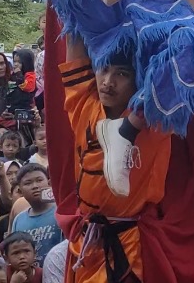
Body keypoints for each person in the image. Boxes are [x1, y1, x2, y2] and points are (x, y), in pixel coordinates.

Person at [59, 36, 170, 282]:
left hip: (131, 244)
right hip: (87, 244)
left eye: (122, 74)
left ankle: (124, 131)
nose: (108, 82)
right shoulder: (83, 106)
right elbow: (74, 37)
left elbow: (179, 62)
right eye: (104, 69)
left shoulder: (157, 118)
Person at [8, 165, 61, 264]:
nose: (35, 186)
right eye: (28, 183)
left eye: (39, 180)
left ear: (49, 183)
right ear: (20, 190)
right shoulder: (19, 219)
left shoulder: (60, 213)